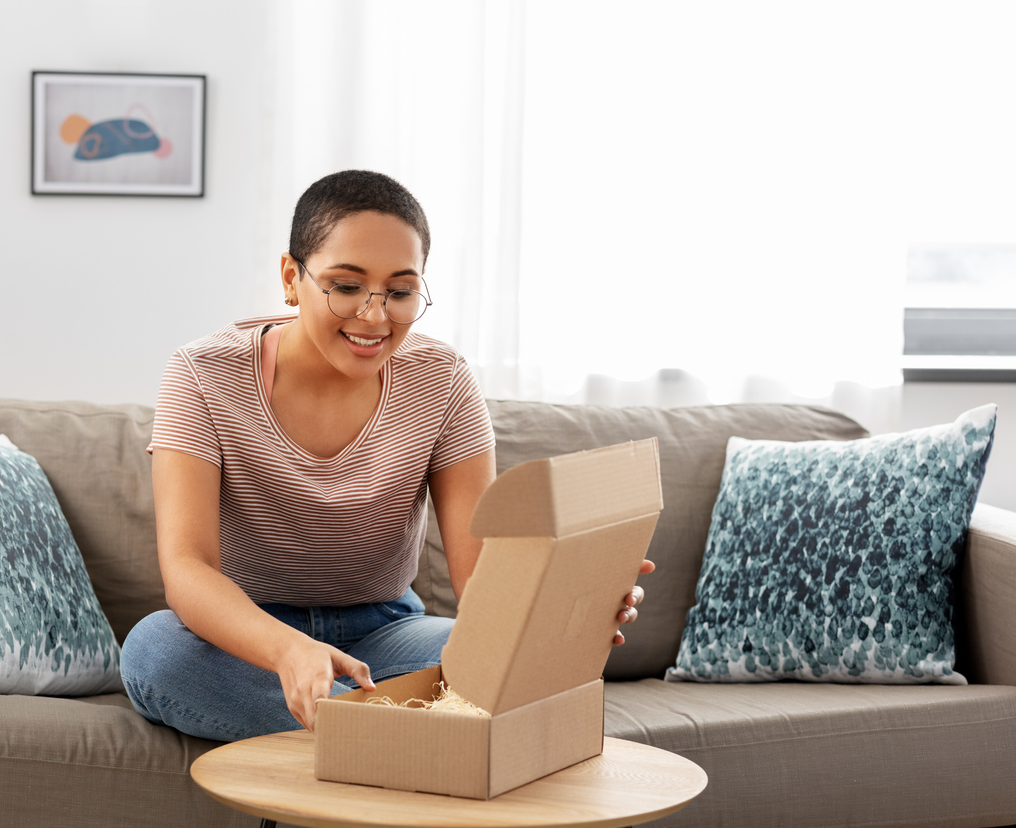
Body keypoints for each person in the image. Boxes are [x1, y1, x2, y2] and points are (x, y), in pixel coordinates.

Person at [120, 170, 652, 741]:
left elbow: (482, 582)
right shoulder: (203, 374)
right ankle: (409, 742)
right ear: (291, 278)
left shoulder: (441, 379)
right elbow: (188, 570)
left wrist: (565, 615)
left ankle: (358, 739)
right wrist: (289, 651)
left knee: (520, 670)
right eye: (345, 287)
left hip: (387, 634)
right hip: (250, 637)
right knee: (156, 651)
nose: (375, 317)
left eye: (400, 292)